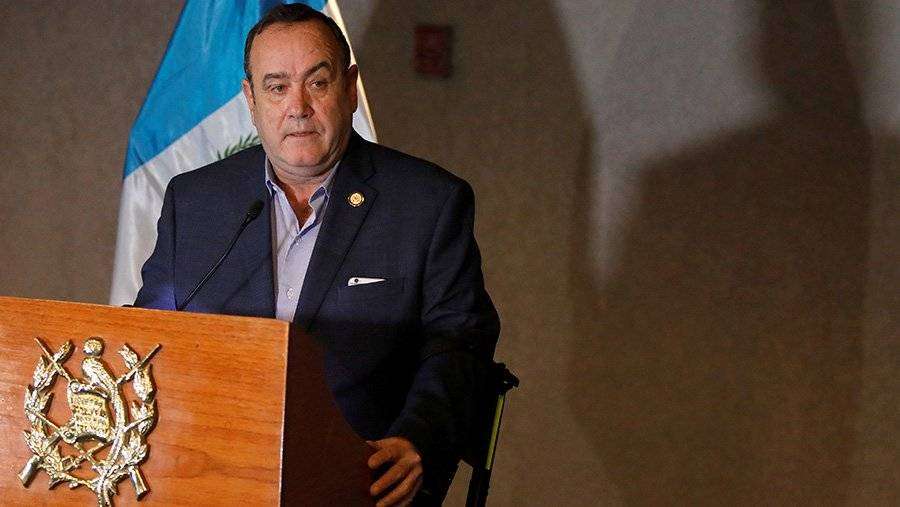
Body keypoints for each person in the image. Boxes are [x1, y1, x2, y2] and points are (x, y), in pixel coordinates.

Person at [133, 3, 499, 505]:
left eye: (317, 83)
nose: (298, 107)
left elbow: (459, 341)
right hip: (211, 472)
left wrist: (419, 438)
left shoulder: (427, 203)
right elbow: (150, 335)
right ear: (250, 99)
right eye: (277, 87)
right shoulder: (195, 201)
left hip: (358, 477)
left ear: (349, 88)